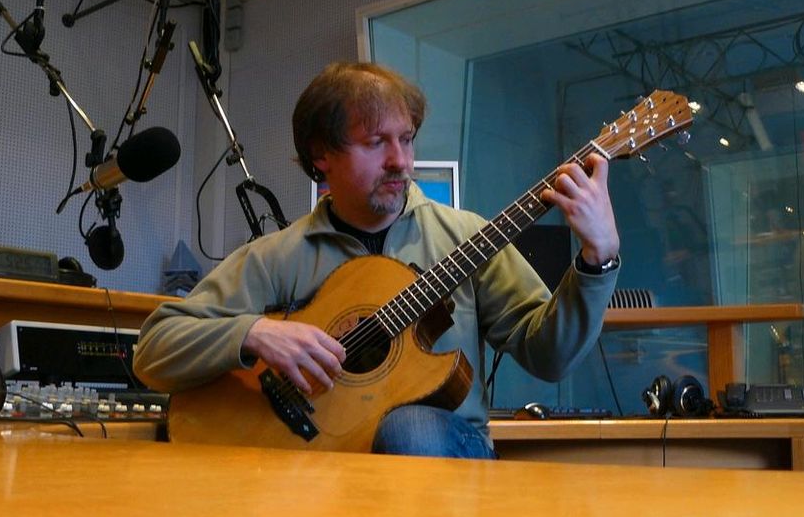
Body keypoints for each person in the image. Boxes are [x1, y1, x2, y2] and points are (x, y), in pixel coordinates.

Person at [133, 61, 621, 458]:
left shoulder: (467, 237)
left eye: (406, 139)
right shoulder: (277, 256)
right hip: (319, 477)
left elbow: (551, 358)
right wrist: (256, 334)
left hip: (445, 461)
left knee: (409, 430)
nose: (401, 162)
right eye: (375, 143)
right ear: (322, 154)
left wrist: (598, 258)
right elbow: (153, 349)